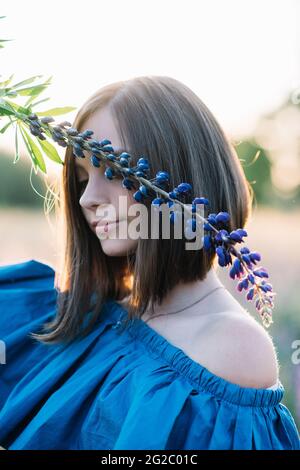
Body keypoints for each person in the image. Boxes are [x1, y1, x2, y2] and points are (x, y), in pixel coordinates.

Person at [0, 76, 299, 450]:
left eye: (110, 170)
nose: (86, 199)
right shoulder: (71, 312)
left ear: (180, 174)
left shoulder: (231, 347)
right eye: (80, 178)